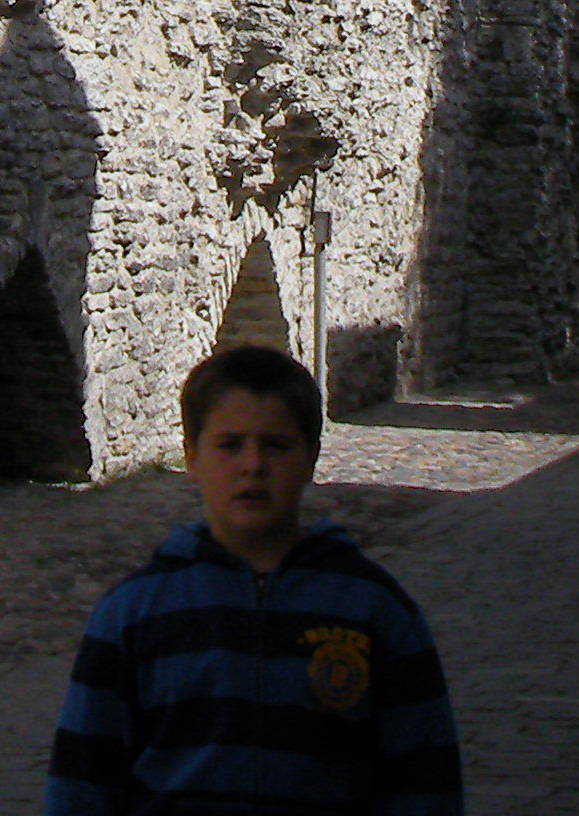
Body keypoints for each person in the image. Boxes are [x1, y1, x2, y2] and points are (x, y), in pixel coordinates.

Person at [45, 345, 463, 815]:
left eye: (276, 445)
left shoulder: (373, 610)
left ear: (311, 458)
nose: (252, 465)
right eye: (229, 444)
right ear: (191, 458)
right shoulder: (134, 615)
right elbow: (82, 779)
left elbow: (425, 777)